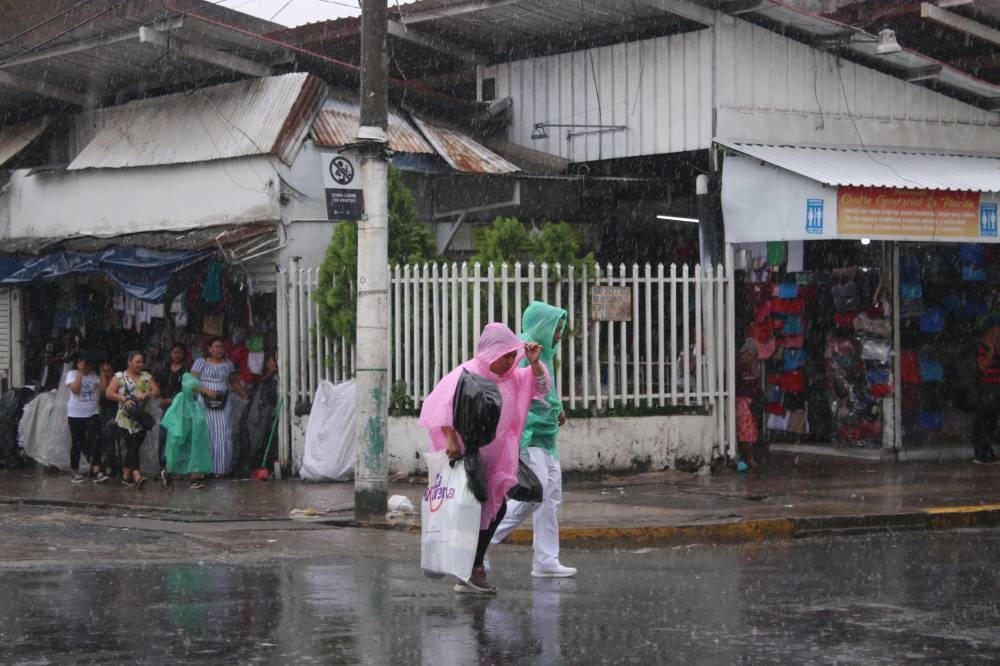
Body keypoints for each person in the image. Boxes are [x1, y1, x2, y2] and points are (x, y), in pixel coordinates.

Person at [419, 322, 549, 594]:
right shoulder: (467, 373)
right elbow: (440, 402)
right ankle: (470, 569)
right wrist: (451, 436)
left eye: (514, 356)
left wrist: (534, 363)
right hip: (469, 455)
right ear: (491, 352)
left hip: (498, 457)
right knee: (471, 508)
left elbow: (540, 387)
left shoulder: (513, 377)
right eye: (506, 356)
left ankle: (469, 569)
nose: (510, 362)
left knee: (494, 509)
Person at [490, 301, 577, 578]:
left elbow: (544, 389)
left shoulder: (544, 354)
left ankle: (546, 560)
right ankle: (482, 542)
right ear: (542, 325)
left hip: (547, 436)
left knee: (550, 498)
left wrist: (557, 409)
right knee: (531, 496)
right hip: (529, 437)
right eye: (555, 328)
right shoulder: (521, 352)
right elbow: (511, 386)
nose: (558, 335)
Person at [191, 336, 249, 477]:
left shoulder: (228, 364)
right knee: (207, 434)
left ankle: (221, 469)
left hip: (223, 403)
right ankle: (205, 469)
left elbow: (234, 383)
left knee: (224, 434)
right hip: (204, 403)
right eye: (216, 346)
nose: (219, 349)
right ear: (209, 348)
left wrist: (246, 395)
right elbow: (192, 382)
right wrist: (206, 391)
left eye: (221, 347)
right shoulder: (200, 363)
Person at [106, 351, 160, 488]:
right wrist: (123, 399)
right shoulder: (119, 376)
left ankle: (125, 476)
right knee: (132, 446)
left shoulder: (146, 376)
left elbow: (157, 391)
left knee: (135, 447)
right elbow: (109, 392)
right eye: (137, 362)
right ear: (129, 362)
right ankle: (137, 475)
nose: (140, 364)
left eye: (142, 362)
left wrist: (147, 394)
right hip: (125, 418)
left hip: (141, 418)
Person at [161, 372, 212, 489]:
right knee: (175, 457)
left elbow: (199, 417)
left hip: (193, 434)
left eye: (195, 390)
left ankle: (195, 479)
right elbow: (171, 416)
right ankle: (167, 474)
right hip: (180, 433)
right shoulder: (180, 398)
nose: (194, 393)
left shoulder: (195, 402)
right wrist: (177, 430)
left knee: (195, 454)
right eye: (192, 390)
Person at [65, 352, 110, 484]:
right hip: (75, 414)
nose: (88, 366)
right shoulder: (71, 374)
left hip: (92, 413)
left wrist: (101, 371)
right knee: (77, 443)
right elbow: (75, 390)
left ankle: (97, 471)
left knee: (96, 441)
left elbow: (103, 388)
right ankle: (74, 472)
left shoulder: (93, 375)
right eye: (86, 363)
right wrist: (80, 371)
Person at [155, 343, 190, 488]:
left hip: (180, 406)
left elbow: (187, 388)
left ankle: (176, 468)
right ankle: (163, 467)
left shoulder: (186, 370)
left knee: (178, 437)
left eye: (179, 352)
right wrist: (161, 399)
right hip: (166, 407)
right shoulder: (164, 369)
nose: (176, 355)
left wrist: (174, 400)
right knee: (163, 436)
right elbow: (157, 386)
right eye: (174, 352)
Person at [971, 316, 1000, 464]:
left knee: (991, 421)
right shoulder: (983, 345)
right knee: (984, 420)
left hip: (995, 387)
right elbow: (982, 366)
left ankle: (987, 450)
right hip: (985, 387)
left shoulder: (995, 343)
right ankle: (981, 451)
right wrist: (991, 351)